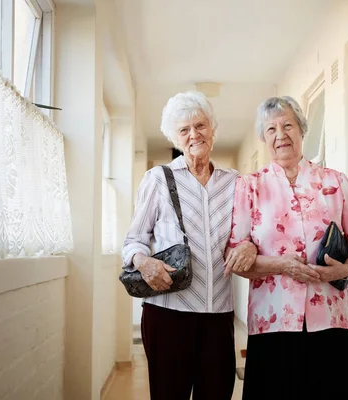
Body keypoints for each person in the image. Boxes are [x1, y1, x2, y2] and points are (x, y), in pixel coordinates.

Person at [224, 96, 348, 400]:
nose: (280, 135)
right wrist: (280, 265)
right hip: (273, 321)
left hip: (330, 320)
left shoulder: (334, 182)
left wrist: (345, 269)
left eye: (287, 125)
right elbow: (235, 258)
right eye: (271, 129)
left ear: (302, 130)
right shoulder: (250, 186)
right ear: (264, 138)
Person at [122, 91, 256, 400]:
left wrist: (248, 246)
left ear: (212, 129)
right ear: (175, 137)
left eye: (200, 125)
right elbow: (132, 242)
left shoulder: (234, 182)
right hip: (169, 314)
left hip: (219, 315)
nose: (194, 134)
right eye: (184, 130)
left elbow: (247, 234)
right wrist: (144, 262)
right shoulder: (157, 179)